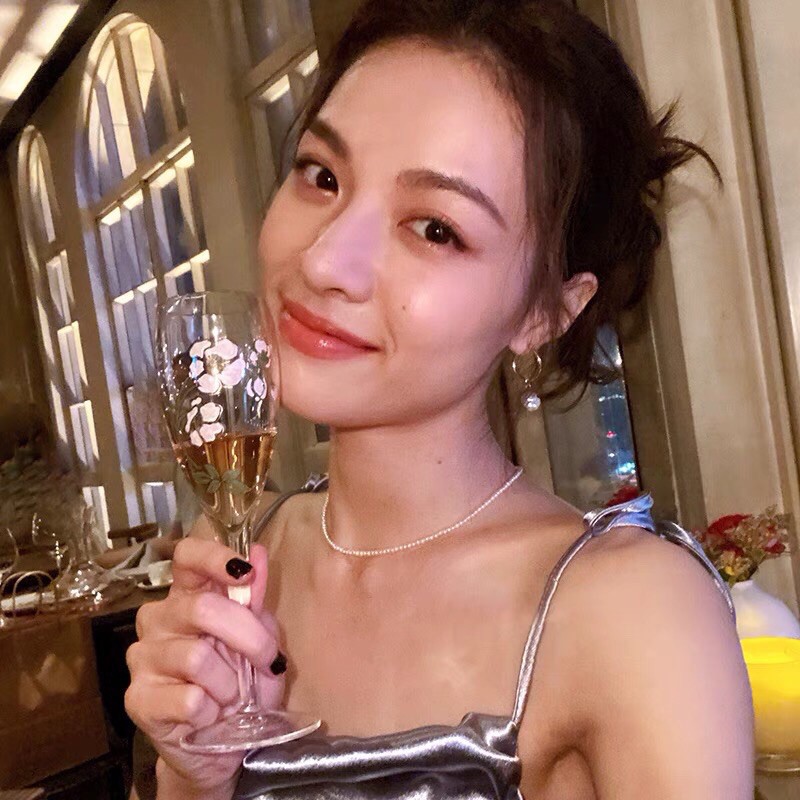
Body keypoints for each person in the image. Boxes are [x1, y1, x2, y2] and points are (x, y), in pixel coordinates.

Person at [124, 1, 755, 797]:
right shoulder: (239, 561)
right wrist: (195, 775)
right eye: (322, 176)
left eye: (434, 229)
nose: (324, 261)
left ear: (546, 312)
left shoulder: (633, 613)